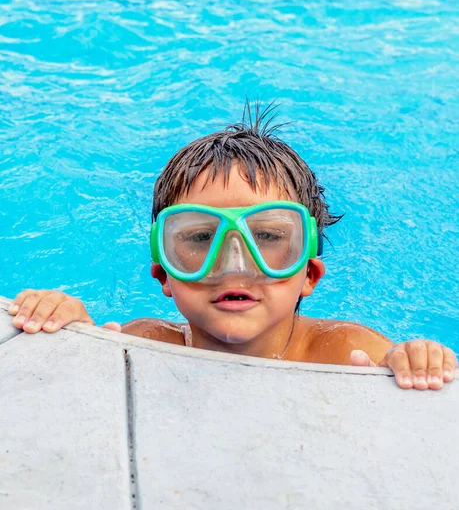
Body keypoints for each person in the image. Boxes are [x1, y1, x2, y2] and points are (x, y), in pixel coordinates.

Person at [8, 104, 457, 390]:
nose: (235, 264)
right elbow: (78, 364)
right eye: (202, 238)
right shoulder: (142, 344)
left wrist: (412, 359)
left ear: (308, 275)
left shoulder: (345, 350)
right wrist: (69, 327)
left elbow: (405, 366)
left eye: (268, 236)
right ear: (164, 274)